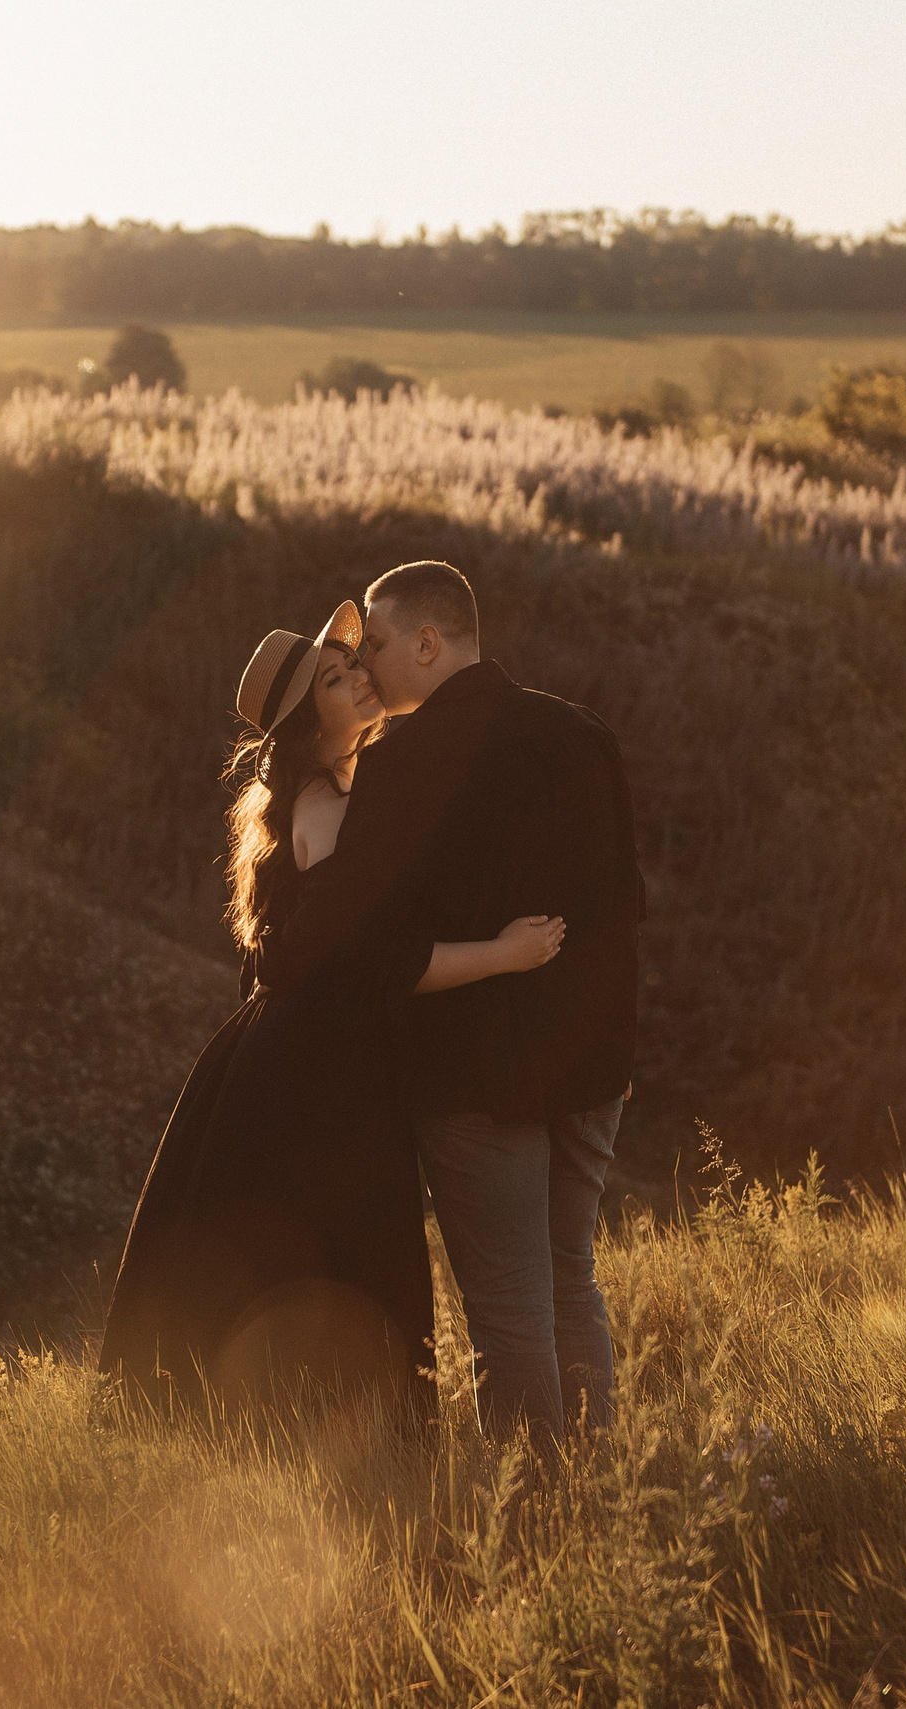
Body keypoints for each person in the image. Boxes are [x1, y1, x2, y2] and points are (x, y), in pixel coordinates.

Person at [97, 599, 567, 1413]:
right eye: (334, 676)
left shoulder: (329, 794)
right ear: (304, 718)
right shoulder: (333, 808)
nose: (357, 678)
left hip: (298, 1055)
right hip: (315, 1070)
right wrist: (503, 954)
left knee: (320, 1256)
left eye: (353, 664)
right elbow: (378, 965)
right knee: (336, 1254)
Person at [260, 561, 644, 1438]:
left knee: (509, 1312)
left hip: (472, 1083)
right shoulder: (585, 734)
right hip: (590, 1066)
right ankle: (597, 1491)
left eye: (382, 645)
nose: (367, 666)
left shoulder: (399, 771)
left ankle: (540, 1512)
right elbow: (623, 915)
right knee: (570, 1279)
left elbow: (373, 954)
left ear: (428, 644)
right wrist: (617, 1059)